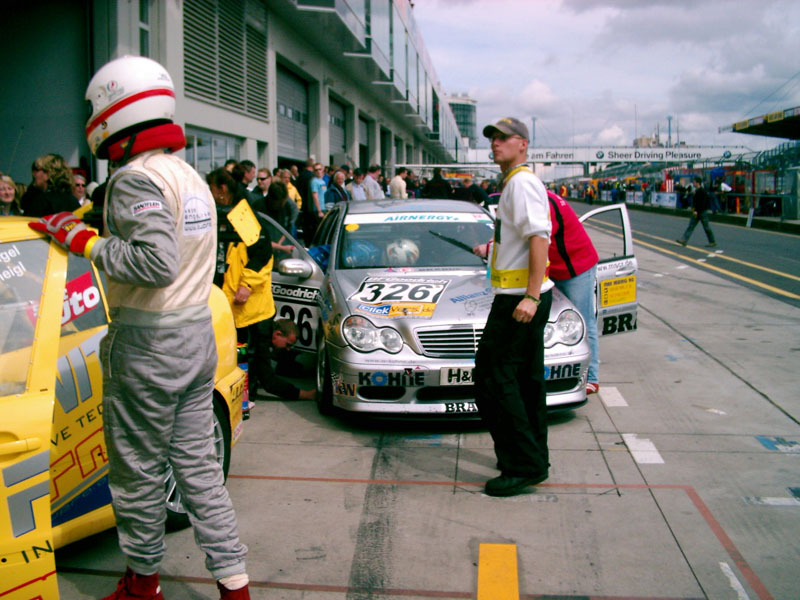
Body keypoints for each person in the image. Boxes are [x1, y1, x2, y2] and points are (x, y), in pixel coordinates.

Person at [30, 56, 251, 599]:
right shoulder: (188, 175)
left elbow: (156, 262)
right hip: (195, 336)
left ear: (110, 111)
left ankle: (142, 586)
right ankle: (235, 585)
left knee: (137, 476)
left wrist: (82, 241)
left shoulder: (134, 178)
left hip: (150, 343)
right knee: (199, 471)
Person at [471, 117, 553, 498]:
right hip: (520, 296)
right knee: (525, 380)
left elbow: (539, 238)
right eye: (492, 138)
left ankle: (522, 464)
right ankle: (533, 456)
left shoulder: (521, 183)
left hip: (520, 300)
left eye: (503, 138)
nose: (495, 143)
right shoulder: (514, 183)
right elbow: (520, 240)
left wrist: (531, 297)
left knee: (493, 378)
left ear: (523, 144)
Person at [546, 191, 600, 394]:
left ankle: (591, 377)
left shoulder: (545, 203)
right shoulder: (533, 199)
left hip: (577, 267)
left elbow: (534, 240)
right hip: (555, 268)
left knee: (584, 321)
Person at [676, 177, 716, 248]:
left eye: (694, 182)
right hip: (696, 211)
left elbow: (702, 203)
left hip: (701, 212)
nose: (693, 184)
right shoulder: (696, 191)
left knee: (706, 227)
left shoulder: (702, 191)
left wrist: (696, 211)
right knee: (691, 226)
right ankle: (684, 240)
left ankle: (712, 241)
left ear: (698, 183)